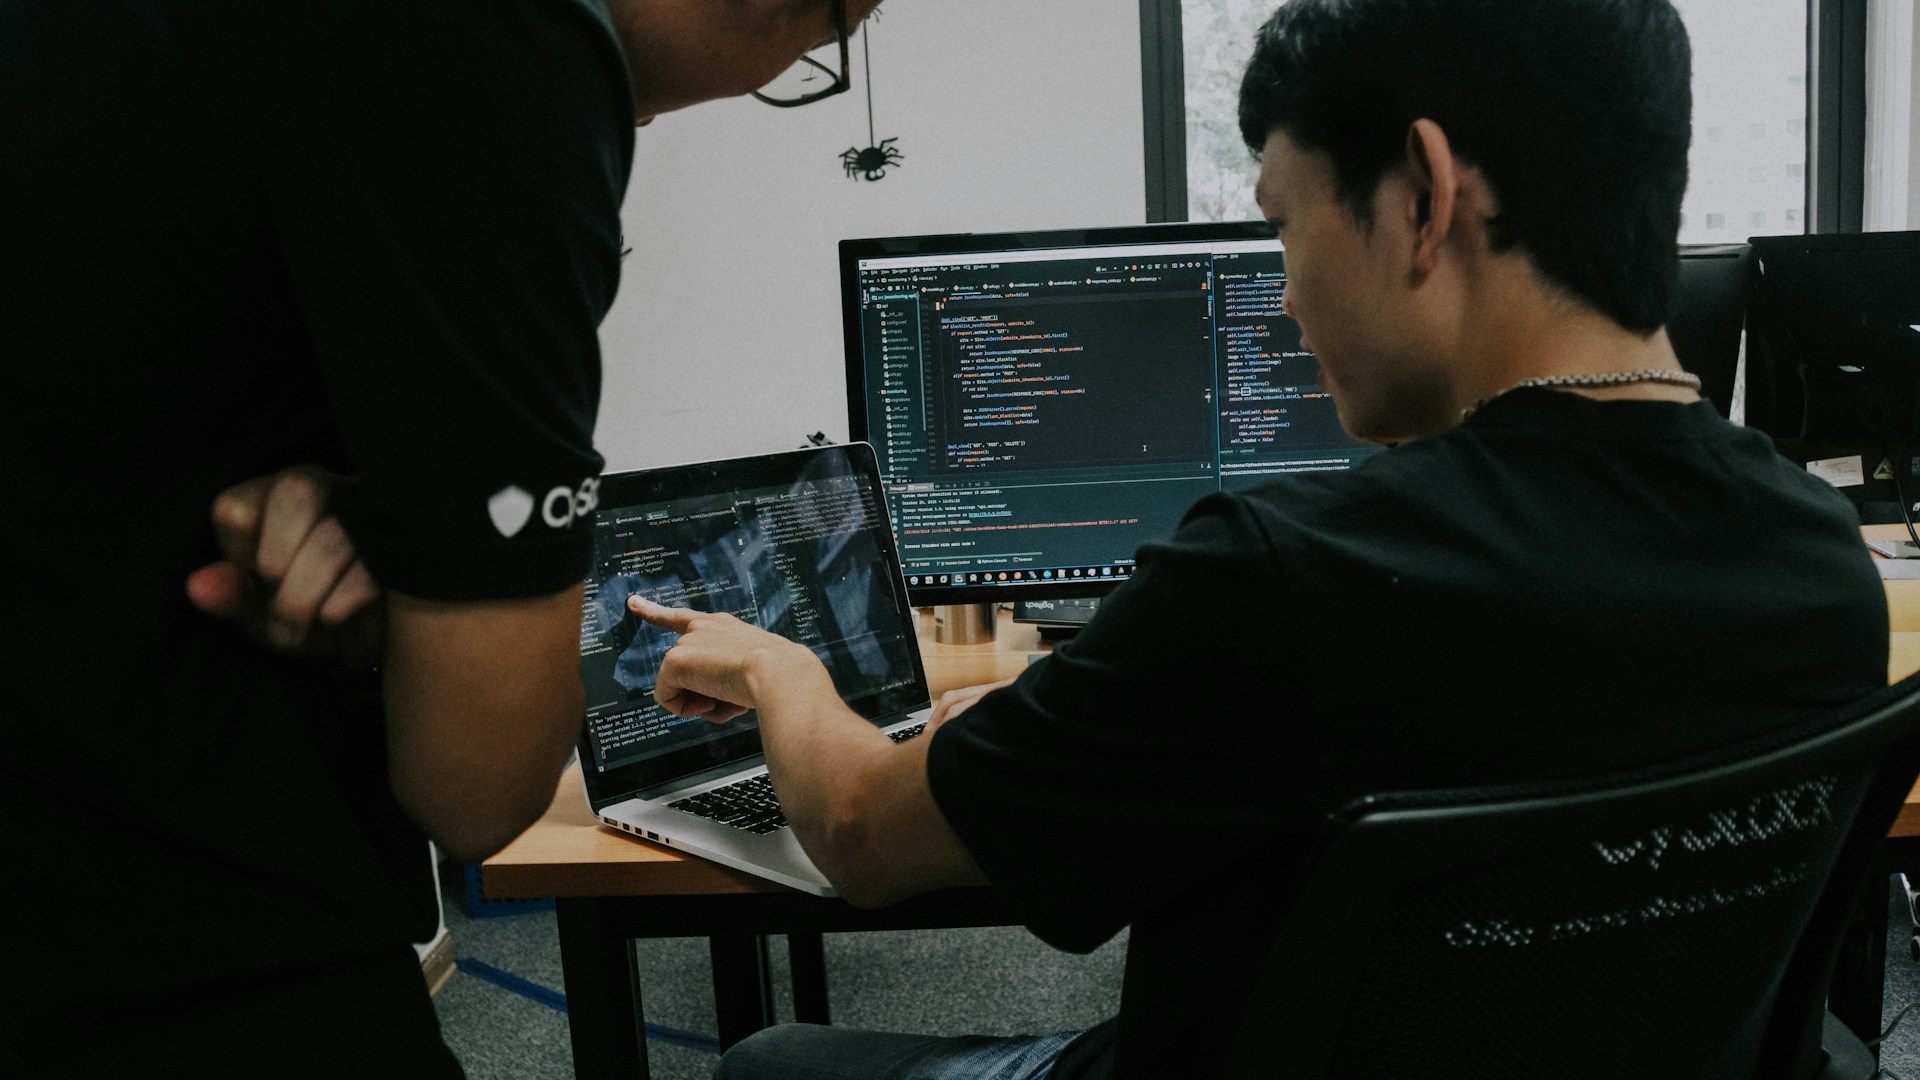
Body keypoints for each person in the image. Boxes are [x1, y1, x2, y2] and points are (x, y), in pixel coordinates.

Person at [625, 1, 1892, 1078]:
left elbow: (859, 831)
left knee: (773, 1061)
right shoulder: (1821, 563)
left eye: (1285, 228)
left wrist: (778, 669)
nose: (1282, 296)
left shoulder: (1283, 580)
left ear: (1424, 195)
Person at [0, 0, 878, 1074]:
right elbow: (479, 780)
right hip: (155, 905)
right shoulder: (503, 42)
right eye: (820, 44)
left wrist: (397, 529)